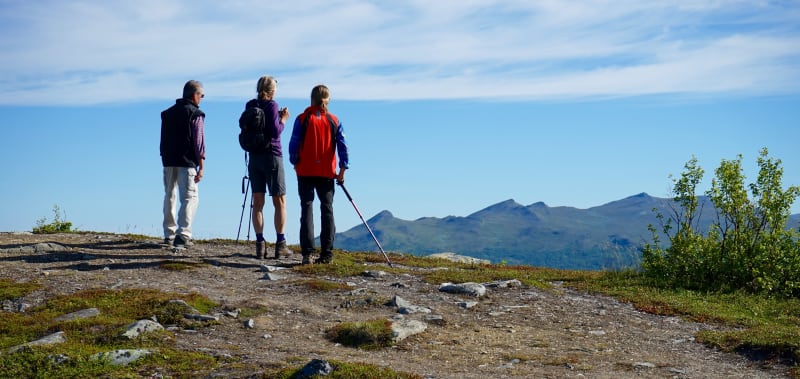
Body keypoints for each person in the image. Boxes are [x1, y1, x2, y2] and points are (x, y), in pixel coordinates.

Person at [289, 84, 349, 264]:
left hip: (305, 170)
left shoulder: (302, 119)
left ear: (312, 99)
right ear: (327, 100)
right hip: (326, 172)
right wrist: (342, 169)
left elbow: (293, 145)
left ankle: (307, 253)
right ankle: (327, 254)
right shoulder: (334, 120)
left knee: (306, 207)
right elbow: (343, 146)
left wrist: (295, 162)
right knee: (327, 208)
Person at [245, 76, 291, 259]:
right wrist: (283, 119)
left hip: (254, 156)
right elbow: (275, 131)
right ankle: (280, 244)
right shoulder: (272, 105)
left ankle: (260, 244)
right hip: (272, 155)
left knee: (257, 202)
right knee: (279, 201)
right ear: (272, 90)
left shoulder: (250, 105)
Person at [160, 80, 206, 249]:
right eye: (201, 95)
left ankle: (169, 234)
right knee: (190, 197)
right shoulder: (195, 114)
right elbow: (198, 141)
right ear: (195, 95)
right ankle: (183, 234)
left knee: (169, 195)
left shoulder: (167, 113)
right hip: (187, 162)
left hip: (168, 160)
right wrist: (201, 164)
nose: (201, 98)